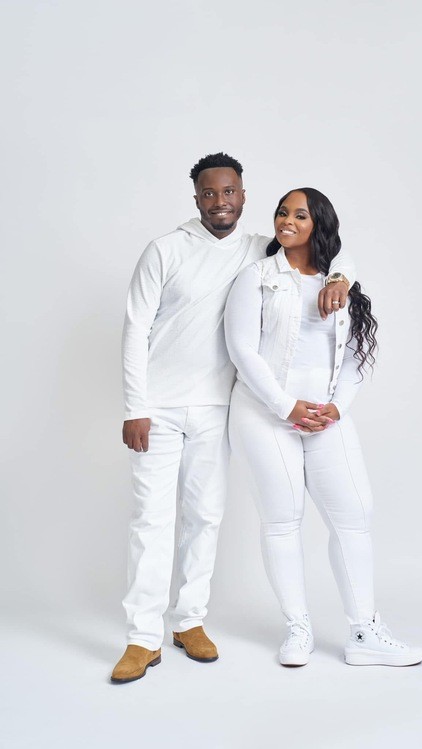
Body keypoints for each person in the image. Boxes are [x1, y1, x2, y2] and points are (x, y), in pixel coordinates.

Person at [111, 155, 356, 683]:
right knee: (151, 520)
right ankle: (142, 637)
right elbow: (134, 328)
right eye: (209, 193)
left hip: (216, 406)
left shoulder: (258, 249)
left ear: (244, 196)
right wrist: (135, 408)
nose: (220, 202)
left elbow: (323, 249)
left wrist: (341, 277)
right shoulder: (165, 250)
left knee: (205, 516)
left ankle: (189, 621)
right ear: (196, 198)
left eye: (229, 192)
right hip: (158, 406)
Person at [224, 187, 422, 667]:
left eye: (300, 215)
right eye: (282, 212)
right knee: (282, 518)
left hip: (325, 417)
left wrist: (337, 407)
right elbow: (241, 349)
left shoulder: (339, 282)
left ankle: (364, 632)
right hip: (263, 413)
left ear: (319, 224)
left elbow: (355, 355)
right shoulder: (257, 277)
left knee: (355, 515)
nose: (286, 221)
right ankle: (298, 630)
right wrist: (285, 406)